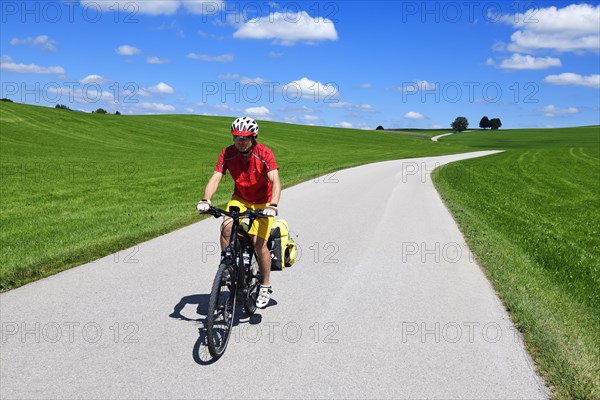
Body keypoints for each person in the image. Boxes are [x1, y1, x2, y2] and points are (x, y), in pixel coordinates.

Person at [197, 116, 281, 309]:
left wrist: (273, 204)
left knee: (258, 244)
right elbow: (216, 177)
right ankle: (226, 263)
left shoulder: (264, 153)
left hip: (263, 202)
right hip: (241, 199)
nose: (240, 142)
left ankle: (265, 285)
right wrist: (205, 199)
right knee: (226, 226)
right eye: (237, 137)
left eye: (245, 138)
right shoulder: (227, 153)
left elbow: (275, 180)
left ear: (254, 137)